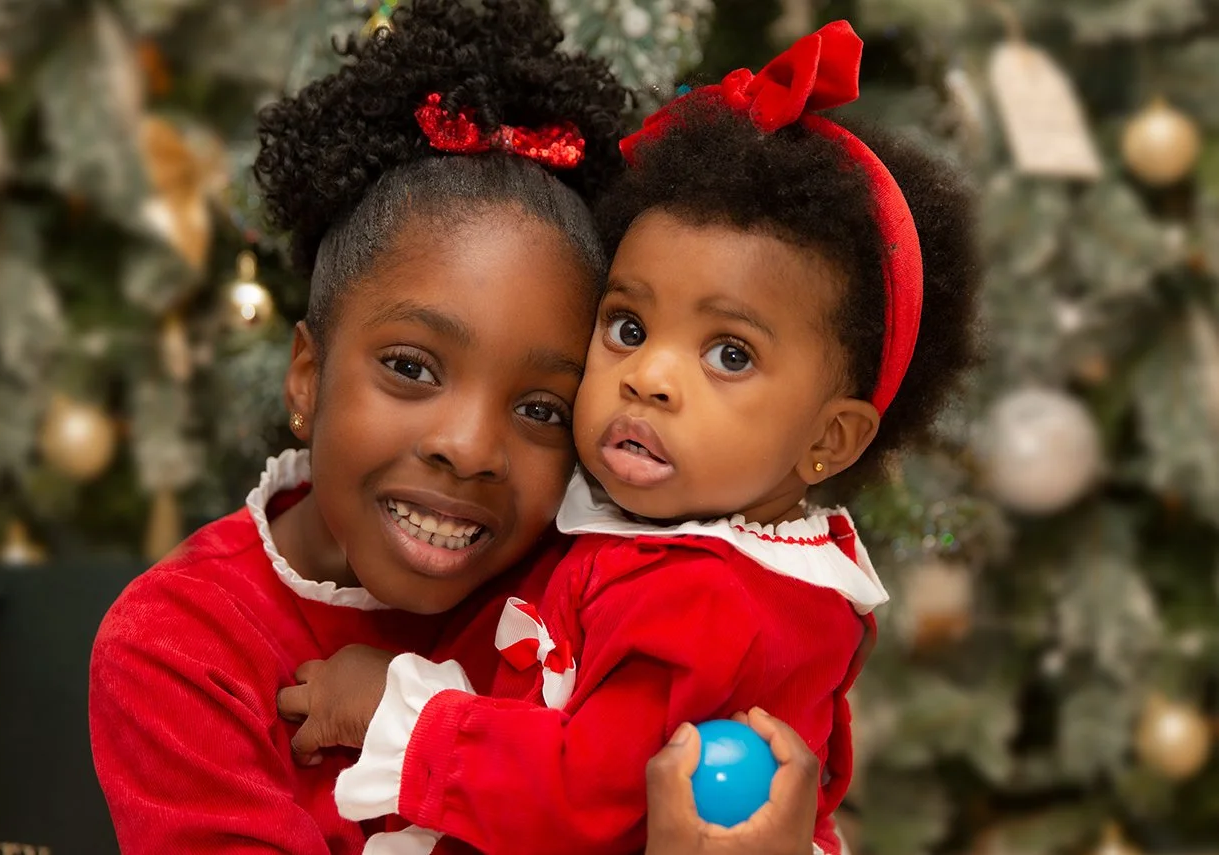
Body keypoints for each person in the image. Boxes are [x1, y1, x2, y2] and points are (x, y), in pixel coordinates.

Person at [88, 1, 823, 853]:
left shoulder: (603, 597)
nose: (469, 447)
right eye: (411, 367)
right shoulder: (180, 648)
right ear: (309, 374)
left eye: (541, 409)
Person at [289, 19, 979, 855]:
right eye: (626, 324)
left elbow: (593, 796)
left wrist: (397, 715)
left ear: (828, 440)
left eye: (729, 353)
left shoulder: (710, 600)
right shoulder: (660, 532)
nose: (648, 375)